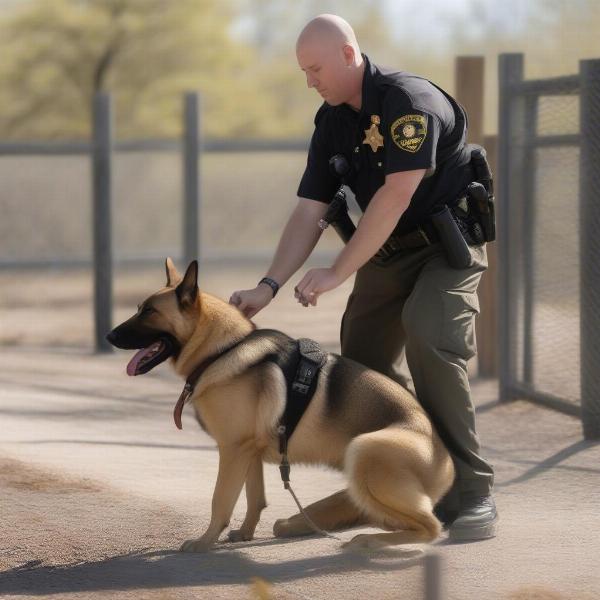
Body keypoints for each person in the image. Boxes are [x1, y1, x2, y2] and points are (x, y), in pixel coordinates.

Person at [229, 13, 497, 542]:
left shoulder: (408, 104)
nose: (311, 80)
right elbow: (310, 209)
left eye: (316, 69)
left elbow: (397, 194)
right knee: (362, 368)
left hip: (446, 249)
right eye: (304, 72)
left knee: (430, 339)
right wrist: (270, 285)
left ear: (350, 54)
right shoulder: (332, 120)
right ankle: (384, 490)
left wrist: (335, 271)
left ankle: (472, 492)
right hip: (384, 253)